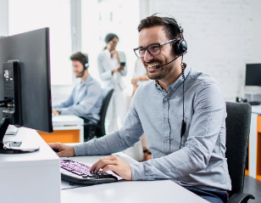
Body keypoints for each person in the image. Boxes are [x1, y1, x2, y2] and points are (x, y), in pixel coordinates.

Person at [49, 15, 231, 203]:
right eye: (142, 50)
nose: (146, 57)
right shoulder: (143, 93)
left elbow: (197, 155)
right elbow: (124, 137)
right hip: (161, 184)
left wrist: (133, 170)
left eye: (154, 48)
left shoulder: (205, 90)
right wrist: (73, 150)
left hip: (203, 191)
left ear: (179, 46)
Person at [52, 52, 102, 140]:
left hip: (88, 124)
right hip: (78, 119)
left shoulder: (94, 86)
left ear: (85, 66)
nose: (74, 69)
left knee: (56, 129)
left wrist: (59, 112)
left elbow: (83, 109)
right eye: (73, 66)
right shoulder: (78, 85)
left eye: (76, 66)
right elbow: (66, 103)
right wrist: (49, 108)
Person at [97, 33, 127, 133]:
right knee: (109, 118)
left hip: (119, 89)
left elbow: (124, 73)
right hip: (108, 89)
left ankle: (123, 145)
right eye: (113, 42)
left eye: (117, 42)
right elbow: (101, 76)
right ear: (107, 42)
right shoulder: (101, 56)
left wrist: (119, 60)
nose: (115, 44)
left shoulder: (121, 54)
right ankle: (110, 143)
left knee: (122, 117)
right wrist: (113, 70)